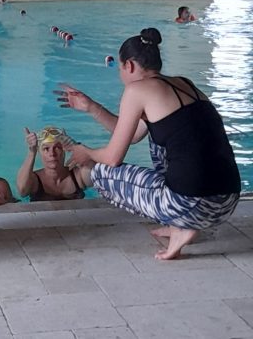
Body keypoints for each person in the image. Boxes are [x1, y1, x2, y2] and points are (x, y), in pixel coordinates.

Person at [60, 26, 240, 261]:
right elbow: (134, 134)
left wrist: (87, 152)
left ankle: (181, 226)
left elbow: (113, 158)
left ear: (129, 66)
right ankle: (179, 222)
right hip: (226, 202)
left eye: (120, 69)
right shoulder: (183, 83)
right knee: (159, 138)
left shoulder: (137, 90)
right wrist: (92, 107)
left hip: (193, 205)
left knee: (99, 172)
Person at [16, 125, 87, 201]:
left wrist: (75, 147)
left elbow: (94, 172)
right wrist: (32, 152)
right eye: (46, 148)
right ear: (39, 152)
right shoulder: (35, 181)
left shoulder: (78, 176)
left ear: (64, 150)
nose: (52, 153)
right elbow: (22, 191)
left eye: (57, 147)